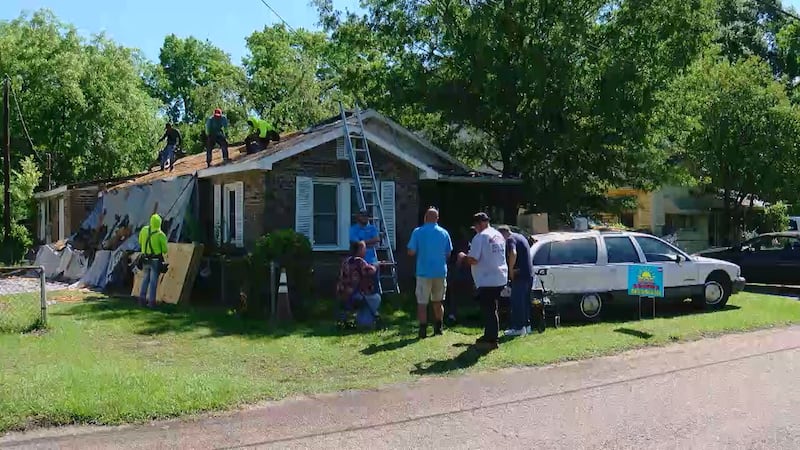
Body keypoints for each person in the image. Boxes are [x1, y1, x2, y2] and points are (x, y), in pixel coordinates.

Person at [458, 212, 508, 350]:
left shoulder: (480, 237)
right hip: (499, 276)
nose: (475, 229)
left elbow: (474, 259)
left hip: (487, 278)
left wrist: (463, 257)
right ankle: (490, 334)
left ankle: (491, 339)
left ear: (481, 224)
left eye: (475, 226)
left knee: (489, 309)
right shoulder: (498, 235)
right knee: (492, 308)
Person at [407, 207, 453, 339]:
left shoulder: (418, 232)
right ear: (437, 219)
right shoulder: (444, 233)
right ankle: (438, 327)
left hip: (423, 272)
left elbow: (411, 251)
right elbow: (448, 253)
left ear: (425, 217)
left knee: (422, 302)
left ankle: (422, 330)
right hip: (440, 272)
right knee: (438, 301)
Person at [336, 241, 381, 329]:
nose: (365, 251)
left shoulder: (345, 261)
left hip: (342, 294)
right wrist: (376, 265)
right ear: (360, 250)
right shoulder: (359, 261)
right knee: (376, 298)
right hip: (354, 295)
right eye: (364, 249)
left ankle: (349, 319)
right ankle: (365, 320)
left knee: (366, 298)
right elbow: (370, 271)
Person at [498, 226, 534, 336]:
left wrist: (510, 270)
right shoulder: (521, 237)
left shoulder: (510, 239)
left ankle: (518, 327)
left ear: (503, 233)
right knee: (525, 302)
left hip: (519, 275)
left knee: (517, 301)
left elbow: (513, 253)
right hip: (528, 274)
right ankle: (527, 326)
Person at [137, 214, 168, 308]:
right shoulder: (160, 234)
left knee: (145, 279)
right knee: (153, 282)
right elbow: (165, 250)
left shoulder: (144, 230)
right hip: (155, 260)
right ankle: (151, 302)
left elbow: (140, 241)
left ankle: (141, 300)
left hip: (145, 258)